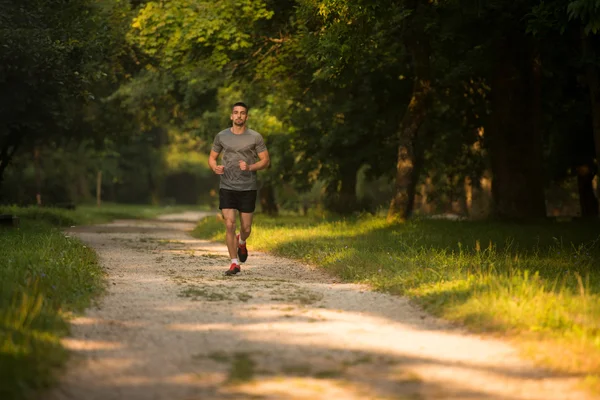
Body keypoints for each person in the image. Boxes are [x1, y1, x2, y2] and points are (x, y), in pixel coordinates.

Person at [208, 102, 270, 276]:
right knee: (229, 224)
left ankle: (241, 241)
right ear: (231, 116)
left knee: (246, 228)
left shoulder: (255, 137)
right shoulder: (221, 136)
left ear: (247, 117)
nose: (239, 116)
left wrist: (250, 167)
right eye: (236, 113)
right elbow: (212, 158)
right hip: (227, 185)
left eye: (242, 113)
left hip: (247, 187)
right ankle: (234, 263)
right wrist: (215, 167)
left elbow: (265, 160)